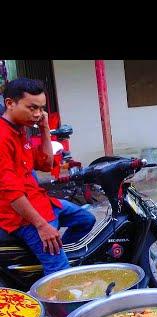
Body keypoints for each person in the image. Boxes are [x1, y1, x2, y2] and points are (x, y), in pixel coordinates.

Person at [0, 78, 95, 276]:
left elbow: (44, 163)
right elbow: (11, 193)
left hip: (41, 201)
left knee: (86, 220)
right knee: (61, 275)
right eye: (32, 107)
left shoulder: (21, 129)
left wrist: (44, 128)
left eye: (41, 109)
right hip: (22, 217)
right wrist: (42, 226)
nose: (37, 114)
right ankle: (54, 276)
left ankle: (51, 259)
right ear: (10, 103)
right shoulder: (3, 137)